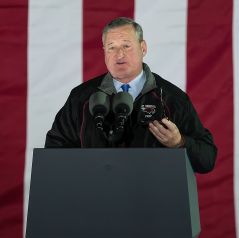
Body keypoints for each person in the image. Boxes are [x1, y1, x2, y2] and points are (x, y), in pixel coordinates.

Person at [45, 17, 217, 173]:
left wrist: (179, 143)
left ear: (143, 48)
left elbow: (207, 159)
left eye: (126, 46)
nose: (119, 55)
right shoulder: (81, 98)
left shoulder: (171, 98)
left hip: (153, 201)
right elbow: (53, 153)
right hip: (94, 200)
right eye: (112, 48)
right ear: (104, 51)